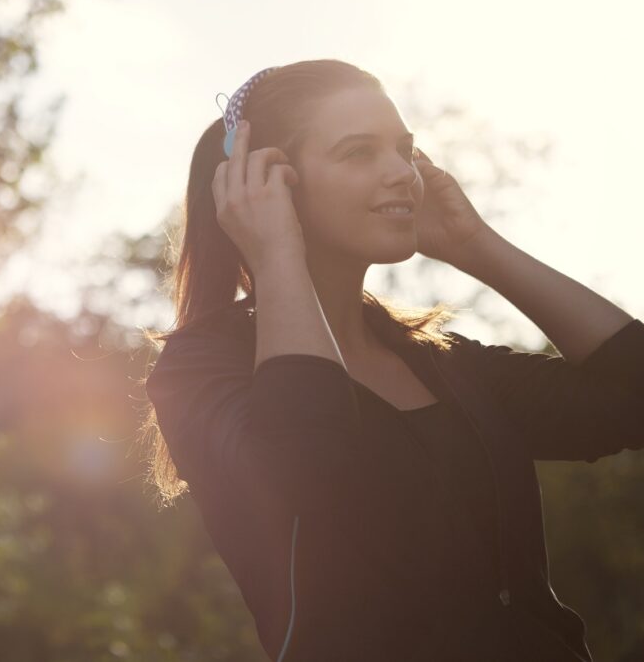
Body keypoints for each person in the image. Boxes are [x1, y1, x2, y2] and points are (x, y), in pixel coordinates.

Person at [139, 59, 644, 661]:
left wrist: (474, 246)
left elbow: (630, 402)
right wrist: (277, 256)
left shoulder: (448, 365)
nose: (402, 173)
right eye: (358, 152)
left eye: (404, 150)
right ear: (267, 181)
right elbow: (310, 467)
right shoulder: (199, 370)